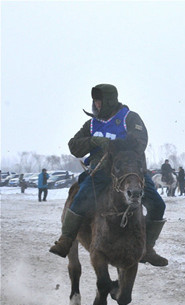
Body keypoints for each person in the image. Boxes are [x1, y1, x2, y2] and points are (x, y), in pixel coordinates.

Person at [49, 84, 168, 266]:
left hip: (128, 170)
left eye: (99, 101)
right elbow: (73, 146)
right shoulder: (91, 124)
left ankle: (148, 248)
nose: (96, 105)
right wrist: (93, 140)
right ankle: (66, 239)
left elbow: (139, 142)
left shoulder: (130, 118)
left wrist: (114, 146)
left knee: (158, 205)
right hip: (101, 171)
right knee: (79, 199)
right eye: (95, 101)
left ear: (109, 101)